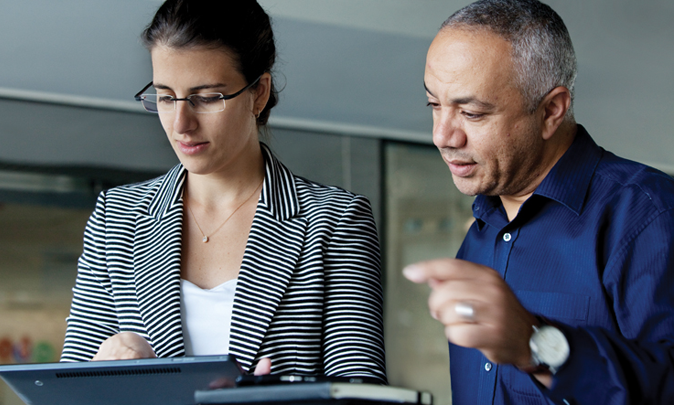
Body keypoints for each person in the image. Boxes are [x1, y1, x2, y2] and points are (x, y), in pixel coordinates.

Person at [60, 0, 387, 384]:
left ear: (259, 93)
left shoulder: (335, 220)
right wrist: (101, 372)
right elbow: (68, 389)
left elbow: (359, 390)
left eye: (206, 98)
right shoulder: (116, 216)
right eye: (166, 97)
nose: (181, 124)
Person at [403, 0, 674, 403]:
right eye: (435, 105)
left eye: (472, 113)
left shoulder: (648, 214)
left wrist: (538, 346)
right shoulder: (479, 234)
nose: (442, 136)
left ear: (551, 110)